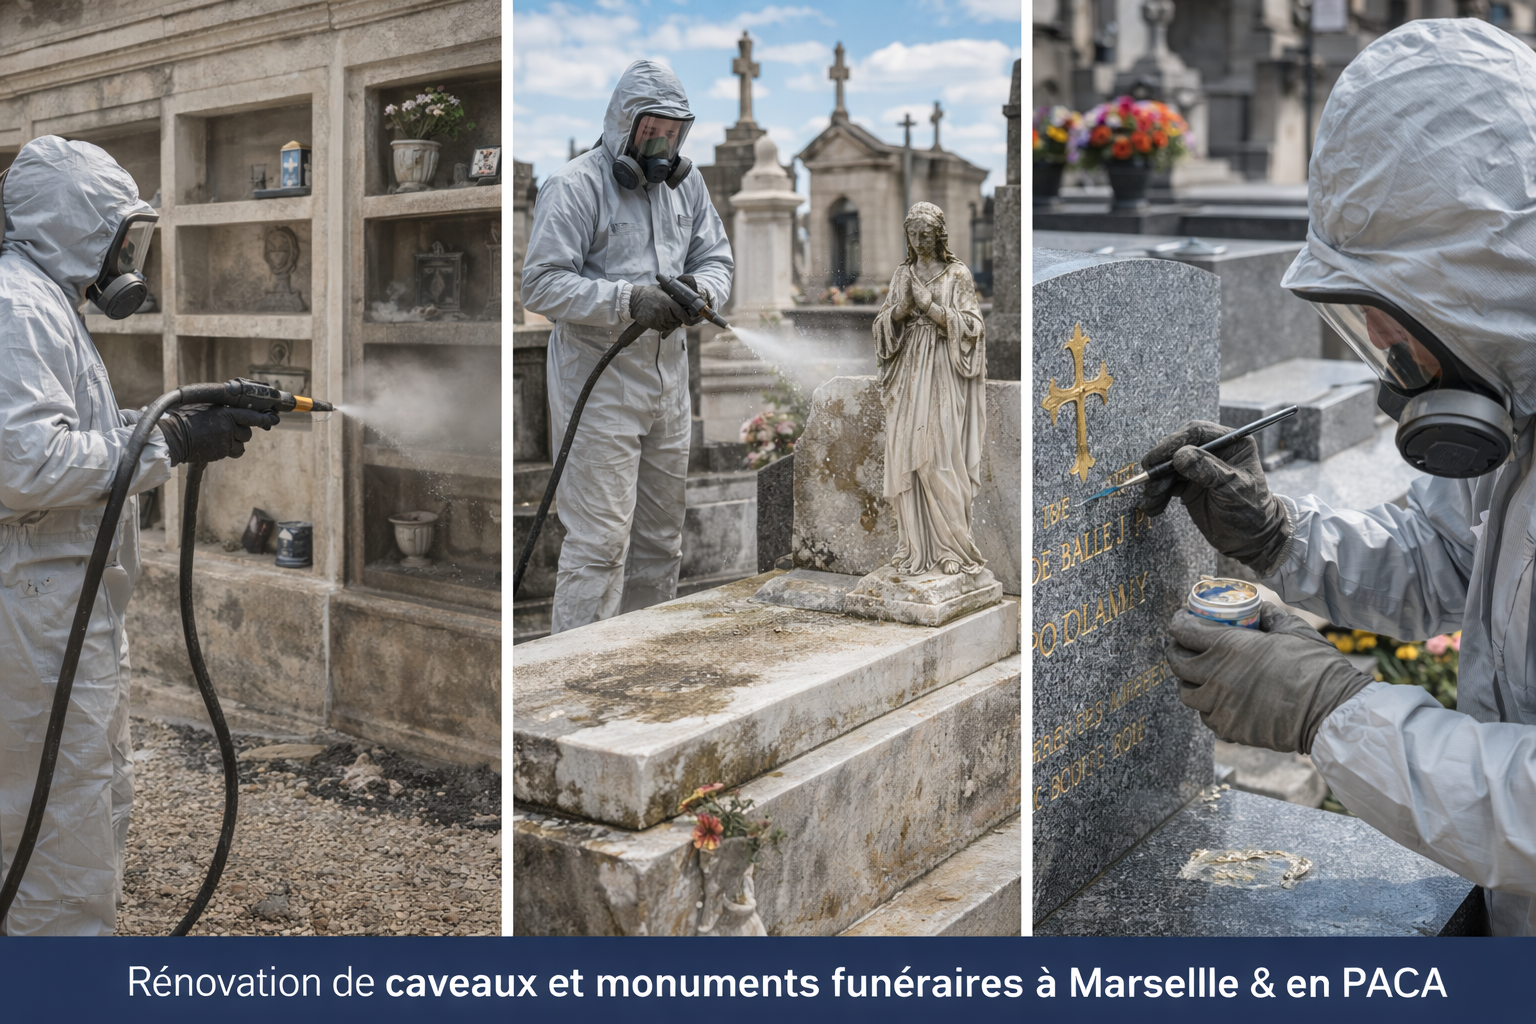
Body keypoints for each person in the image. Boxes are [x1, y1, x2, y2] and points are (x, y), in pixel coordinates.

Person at [1143, 20, 1536, 936]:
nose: (1390, 353)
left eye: (1397, 314)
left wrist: (1331, 709)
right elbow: (1447, 563)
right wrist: (1279, 535)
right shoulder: (1509, 383)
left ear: (1488, 284)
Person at [0, 135, 276, 934]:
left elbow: (72, 433)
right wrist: (167, 443)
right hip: (39, 607)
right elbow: (24, 465)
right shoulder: (18, 307)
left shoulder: (43, 300)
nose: (128, 254)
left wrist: (175, 423)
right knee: (60, 839)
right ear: (73, 225)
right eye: (120, 234)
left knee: (82, 801)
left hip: (62, 604)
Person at [521, 61, 732, 633]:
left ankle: (640, 667)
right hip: (600, 385)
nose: (662, 144)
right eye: (651, 131)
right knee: (600, 544)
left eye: (673, 132)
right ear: (623, 126)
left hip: (668, 386)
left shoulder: (686, 185)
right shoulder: (575, 186)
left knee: (661, 542)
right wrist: (626, 301)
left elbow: (715, 257)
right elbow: (539, 283)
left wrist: (702, 288)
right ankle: (572, 681)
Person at [872, 202, 987, 577]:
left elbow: (973, 327)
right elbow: (882, 327)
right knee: (907, 450)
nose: (919, 241)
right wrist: (901, 311)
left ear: (939, 235)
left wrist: (934, 310)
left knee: (939, 454)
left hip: (943, 369)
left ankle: (951, 548)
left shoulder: (957, 275)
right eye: (912, 234)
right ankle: (914, 548)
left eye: (925, 234)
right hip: (908, 371)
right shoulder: (902, 274)